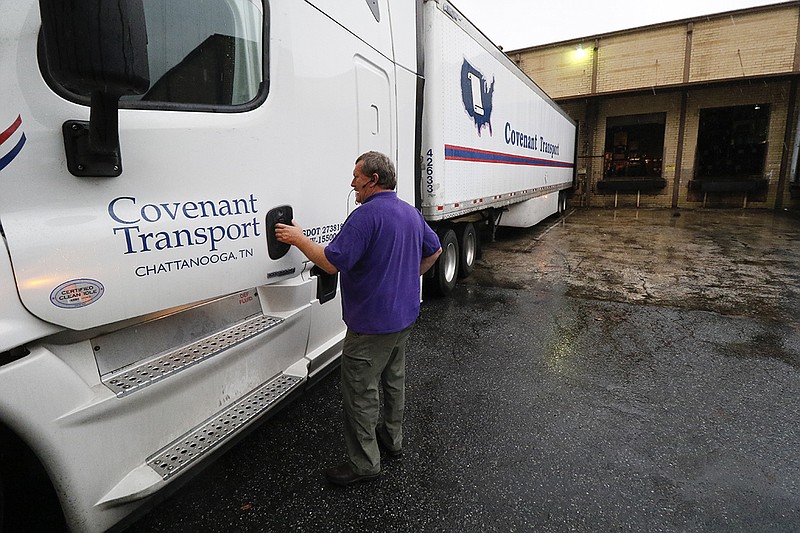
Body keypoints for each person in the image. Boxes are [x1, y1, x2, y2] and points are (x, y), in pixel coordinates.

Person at [275, 151, 442, 486]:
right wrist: (410, 279)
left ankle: (365, 463)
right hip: (404, 318)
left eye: (356, 177)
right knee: (393, 381)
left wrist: (298, 239)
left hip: (371, 325)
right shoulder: (409, 212)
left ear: (373, 180)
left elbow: (330, 262)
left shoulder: (365, 216)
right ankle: (391, 440)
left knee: (360, 390)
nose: (353, 183)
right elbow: (434, 249)